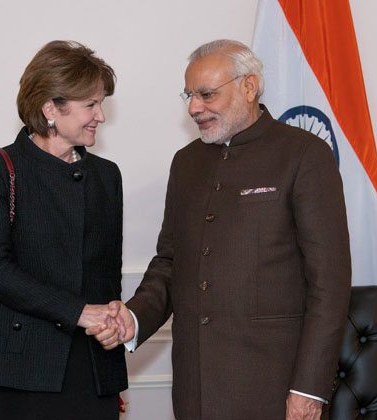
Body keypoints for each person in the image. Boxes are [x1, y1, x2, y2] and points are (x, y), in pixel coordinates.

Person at [90, 39, 352, 419]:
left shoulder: (304, 155)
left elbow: (330, 284)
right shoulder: (187, 163)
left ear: (248, 87)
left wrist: (308, 389)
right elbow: (170, 264)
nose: (194, 108)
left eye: (207, 94)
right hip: (195, 390)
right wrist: (132, 319)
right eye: (189, 95)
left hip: (276, 391)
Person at [0, 40, 127, 420]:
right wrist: (79, 311)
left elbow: (107, 274)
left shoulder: (106, 175)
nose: (100, 115)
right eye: (91, 104)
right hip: (20, 365)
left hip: (93, 365)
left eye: (101, 103)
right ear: (50, 107)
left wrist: (112, 325)